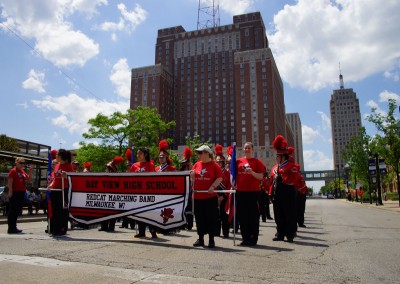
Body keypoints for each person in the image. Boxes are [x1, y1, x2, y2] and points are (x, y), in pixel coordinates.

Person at [269, 135, 301, 243]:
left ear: (283, 156)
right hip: (277, 192)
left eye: (278, 155)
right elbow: (272, 182)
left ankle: (290, 234)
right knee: (278, 214)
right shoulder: (274, 168)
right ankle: (280, 233)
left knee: (288, 213)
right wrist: (270, 193)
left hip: (287, 192)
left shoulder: (291, 166)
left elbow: (293, 179)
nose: (276, 157)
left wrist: (282, 178)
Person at [191, 145, 223, 248]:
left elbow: (219, 178)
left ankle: (211, 240)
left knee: (211, 218)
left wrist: (213, 186)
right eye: (198, 153)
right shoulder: (196, 165)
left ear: (206, 153)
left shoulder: (214, 165)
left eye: (200, 153)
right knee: (199, 219)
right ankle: (200, 239)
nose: (198, 155)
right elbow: (193, 179)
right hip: (197, 197)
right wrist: (192, 178)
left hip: (210, 197)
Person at [235, 142, 266, 246]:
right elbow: (233, 174)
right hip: (240, 192)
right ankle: (245, 238)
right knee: (242, 216)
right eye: (245, 148)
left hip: (253, 192)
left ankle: (253, 238)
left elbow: (261, 177)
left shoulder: (257, 162)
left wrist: (252, 172)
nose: (247, 149)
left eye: (249, 148)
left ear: (252, 149)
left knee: (253, 216)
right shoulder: (238, 161)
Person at [129, 147, 157, 238]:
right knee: (139, 213)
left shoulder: (150, 165)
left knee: (150, 213)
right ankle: (141, 232)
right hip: (138, 193)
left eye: (140, 153)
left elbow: (153, 179)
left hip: (148, 193)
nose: (138, 155)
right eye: (137, 154)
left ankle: (153, 231)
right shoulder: (134, 165)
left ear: (145, 154)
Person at [47, 149, 73, 236]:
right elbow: (54, 178)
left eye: (58, 155)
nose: (56, 156)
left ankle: (62, 228)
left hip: (63, 190)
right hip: (55, 190)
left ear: (61, 156)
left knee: (63, 210)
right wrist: (51, 184)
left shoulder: (68, 166)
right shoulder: (57, 166)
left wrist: (66, 176)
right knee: (55, 210)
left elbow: (72, 179)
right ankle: (55, 228)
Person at [7, 157, 33, 234]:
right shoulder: (13, 171)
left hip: (21, 193)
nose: (22, 165)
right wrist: (10, 191)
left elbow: (28, 179)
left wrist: (30, 172)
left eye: (23, 163)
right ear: (16, 163)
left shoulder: (22, 172)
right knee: (13, 210)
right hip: (15, 192)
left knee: (17, 210)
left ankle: (14, 226)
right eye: (21, 163)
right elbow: (10, 181)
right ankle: (11, 228)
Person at [99, 156, 124, 232]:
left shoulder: (115, 178)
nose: (105, 169)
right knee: (103, 211)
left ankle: (111, 227)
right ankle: (103, 226)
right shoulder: (103, 177)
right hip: (105, 196)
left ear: (110, 170)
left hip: (112, 197)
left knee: (112, 212)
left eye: (106, 168)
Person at [214, 144, 231, 238]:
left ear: (223, 162)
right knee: (216, 215)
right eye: (217, 162)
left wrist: (222, 196)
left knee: (224, 216)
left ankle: (225, 232)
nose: (218, 163)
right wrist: (216, 196)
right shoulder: (213, 173)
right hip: (215, 196)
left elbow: (229, 186)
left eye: (220, 162)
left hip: (224, 197)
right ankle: (216, 232)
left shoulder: (227, 173)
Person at [180, 147, 193, 230]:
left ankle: (190, 224)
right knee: (183, 208)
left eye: (187, 165)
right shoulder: (182, 173)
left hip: (190, 191)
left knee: (189, 208)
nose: (187, 167)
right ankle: (183, 223)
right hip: (183, 191)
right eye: (185, 166)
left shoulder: (191, 171)